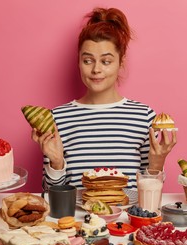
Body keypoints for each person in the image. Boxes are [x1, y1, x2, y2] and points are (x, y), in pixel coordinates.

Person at [32, 7, 177, 190]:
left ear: (120, 62)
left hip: (126, 218)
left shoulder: (144, 117)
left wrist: (157, 163)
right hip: (78, 218)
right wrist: (56, 164)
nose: (96, 70)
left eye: (106, 61)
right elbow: (50, 194)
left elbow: (148, 197)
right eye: (87, 60)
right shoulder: (57, 119)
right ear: (78, 62)